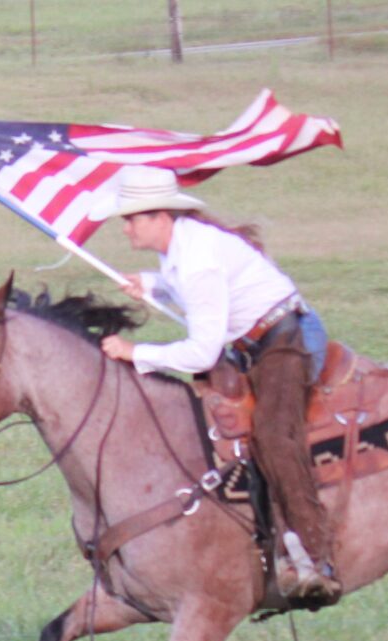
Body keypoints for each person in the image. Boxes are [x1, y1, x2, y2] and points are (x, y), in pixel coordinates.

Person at [92, 167, 341, 604]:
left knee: (274, 437)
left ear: (160, 217)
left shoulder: (196, 261)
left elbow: (202, 353)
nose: (126, 227)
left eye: (132, 219)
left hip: (287, 340)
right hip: (253, 342)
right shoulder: (181, 248)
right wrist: (149, 284)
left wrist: (136, 353)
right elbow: (178, 285)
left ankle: (315, 559)